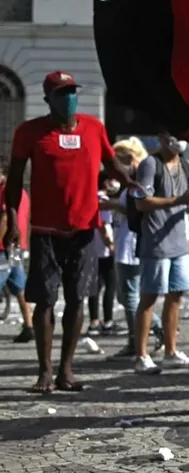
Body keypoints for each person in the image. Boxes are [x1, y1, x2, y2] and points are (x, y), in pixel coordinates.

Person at [3, 71, 140, 393]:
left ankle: (67, 370)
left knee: (78, 299)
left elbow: (112, 163)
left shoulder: (94, 128)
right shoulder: (30, 132)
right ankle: (45, 373)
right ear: (48, 99)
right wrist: (11, 220)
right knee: (45, 302)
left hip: (84, 230)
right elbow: (15, 181)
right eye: (62, 94)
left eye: (72, 93)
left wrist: (129, 182)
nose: (69, 99)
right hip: (45, 231)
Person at [132, 131, 189, 374]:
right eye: (175, 135)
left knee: (176, 297)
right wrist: (179, 200)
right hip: (155, 243)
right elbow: (141, 202)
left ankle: (171, 351)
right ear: (164, 137)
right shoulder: (149, 165)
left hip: (179, 243)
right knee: (149, 298)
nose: (180, 140)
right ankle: (141, 355)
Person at [107, 138, 164, 360]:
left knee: (129, 295)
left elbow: (137, 209)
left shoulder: (140, 177)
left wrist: (111, 205)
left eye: (119, 160)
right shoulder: (132, 179)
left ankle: (137, 338)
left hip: (131, 243)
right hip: (125, 241)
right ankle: (154, 327)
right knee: (125, 295)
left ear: (129, 158)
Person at [0, 163, 32, 343]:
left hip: (4, 246)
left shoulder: (6, 191)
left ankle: (29, 326)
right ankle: (28, 325)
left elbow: (5, 218)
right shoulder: (22, 192)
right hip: (18, 246)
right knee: (19, 287)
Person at [88, 172, 122, 337]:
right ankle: (107, 321)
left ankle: (94, 321)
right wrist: (110, 243)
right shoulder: (102, 199)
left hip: (92, 246)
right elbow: (102, 223)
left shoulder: (91, 195)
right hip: (103, 245)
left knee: (95, 286)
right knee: (111, 284)